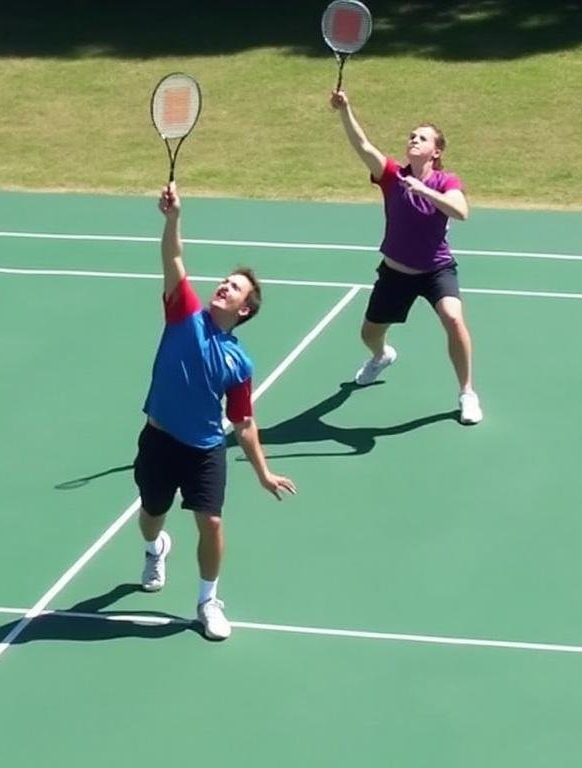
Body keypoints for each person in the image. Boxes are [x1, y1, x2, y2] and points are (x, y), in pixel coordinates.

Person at [134, 182, 296, 641]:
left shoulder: (239, 361)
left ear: (245, 310)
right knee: (152, 512)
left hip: (204, 450)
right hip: (160, 439)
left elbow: (243, 422)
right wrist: (172, 219)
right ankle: (155, 547)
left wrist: (262, 472)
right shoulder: (184, 313)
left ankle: (207, 600)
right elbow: (174, 260)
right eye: (226, 281)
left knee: (212, 521)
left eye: (236, 287)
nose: (225, 285)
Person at [330, 89, 482, 425]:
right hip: (395, 273)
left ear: (436, 150)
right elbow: (364, 147)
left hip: (436, 270)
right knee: (369, 334)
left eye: (422, 137)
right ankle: (382, 355)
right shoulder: (391, 176)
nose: (413, 140)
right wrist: (345, 111)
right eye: (411, 136)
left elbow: (461, 211)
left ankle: (467, 393)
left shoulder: (446, 180)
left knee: (454, 319)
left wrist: (425, 190)